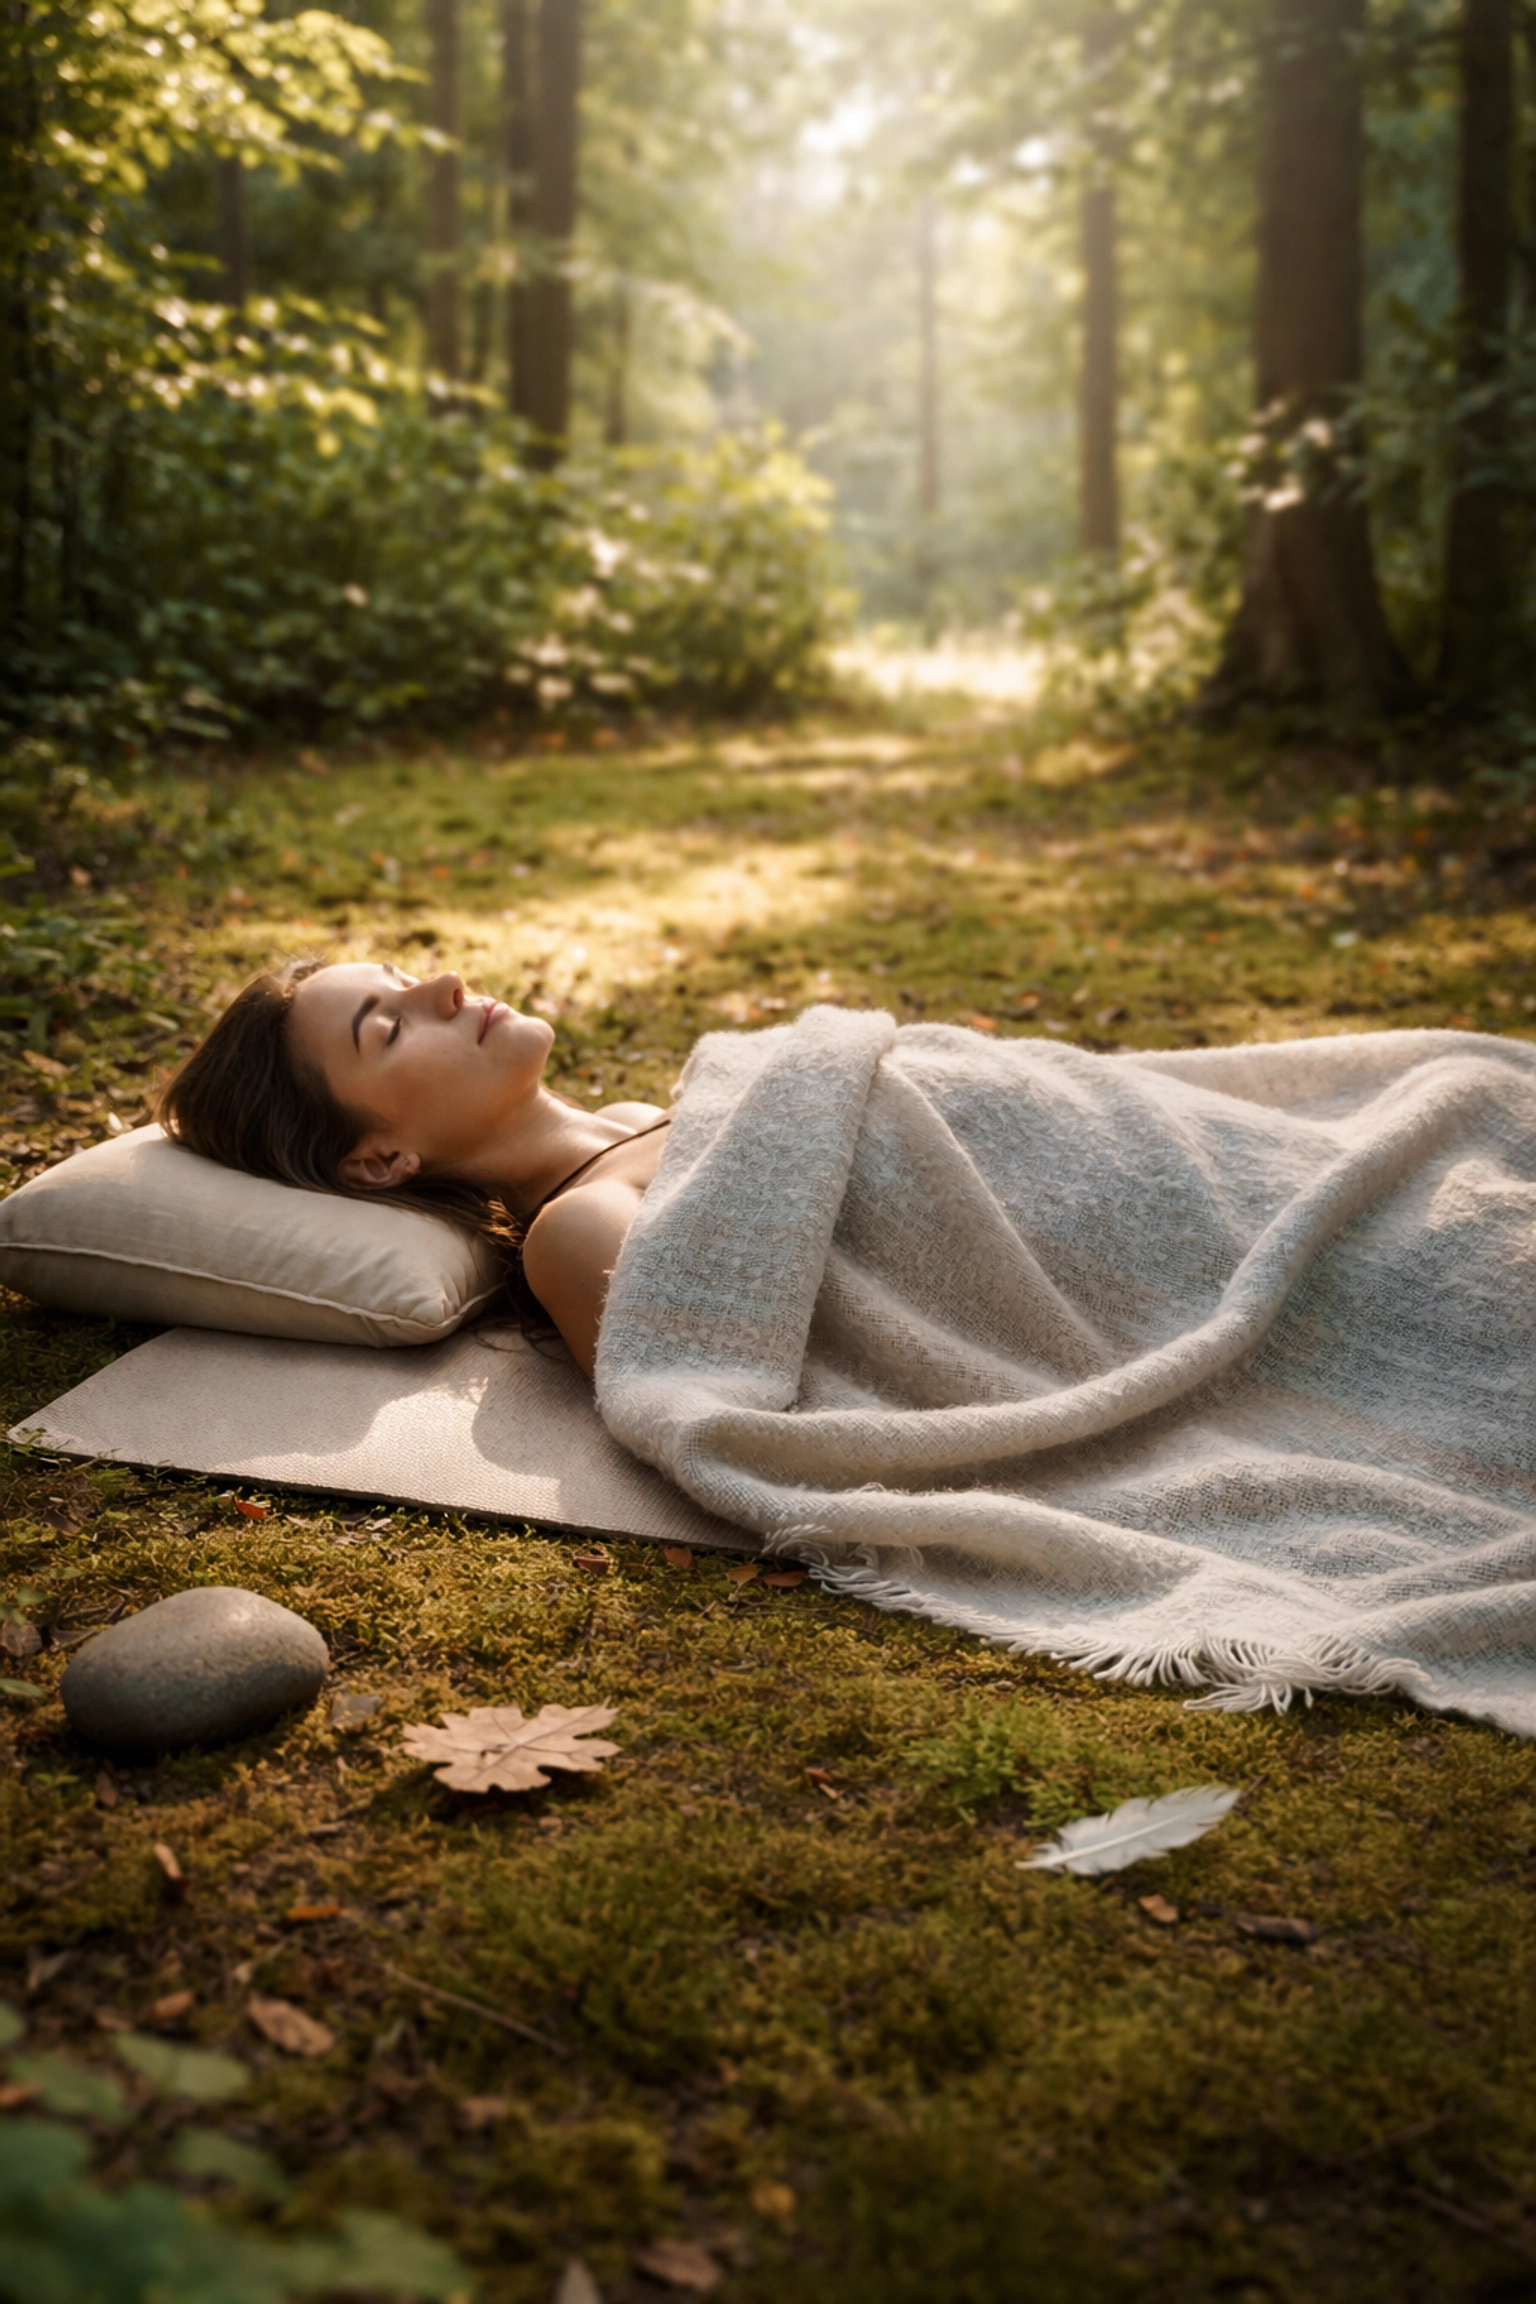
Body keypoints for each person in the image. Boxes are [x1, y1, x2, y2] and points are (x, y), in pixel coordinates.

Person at [158, 959, 669, 1375]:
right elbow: (695, 1390)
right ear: (381, 1159)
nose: (448, 983)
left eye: (406, 978)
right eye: (393, 1028)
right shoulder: (579, 1227)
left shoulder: (632, 1123)